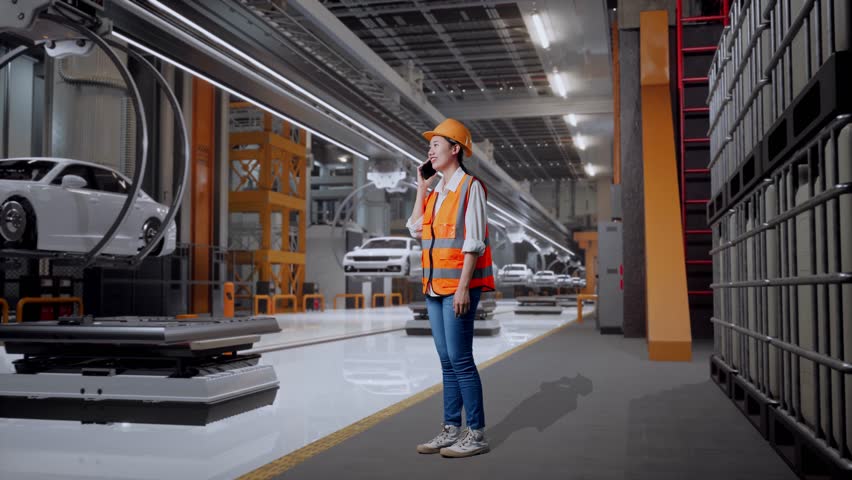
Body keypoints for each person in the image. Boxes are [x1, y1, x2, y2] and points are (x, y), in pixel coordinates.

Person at [407, 118, 496, 458]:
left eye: (436, 145)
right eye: (429, 146)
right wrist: (422, 187)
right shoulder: (437, 192)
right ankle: (450, 428)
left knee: (460, 359)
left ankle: (476, 432)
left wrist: (463, 289)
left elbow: (474, 242)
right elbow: (416, 228)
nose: (429, 150)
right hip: (433, 287)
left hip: (457, 287)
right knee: (446, 360)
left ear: (455, 149)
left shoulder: (469, 187)